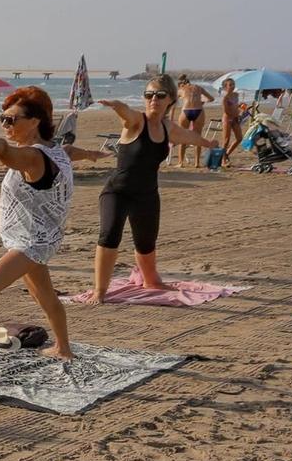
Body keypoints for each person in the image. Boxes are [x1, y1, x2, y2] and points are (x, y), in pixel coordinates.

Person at [0, 87, 77, 388]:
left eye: (12, 120)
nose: (6, 125)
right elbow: (71, 155)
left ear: (35, 121)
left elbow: (7, 152)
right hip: (39, 237)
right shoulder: (55, 150)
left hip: (32, 241)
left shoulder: (34, 156)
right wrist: (92, 154)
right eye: (2, 118)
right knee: (45, 295)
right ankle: (63, 347)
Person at [77, 76, 211, 303]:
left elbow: (191, 137)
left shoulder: (168, 127)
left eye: (159, 96)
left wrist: (212, 145)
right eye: (148, 95)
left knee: (146, 242)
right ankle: (100, 290)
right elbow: (126, 112)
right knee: (109, 235)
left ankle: (151, 280)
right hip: (117, 191)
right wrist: (116, 105)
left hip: (147, 193)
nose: (153, 100)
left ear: (170, 99)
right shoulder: (136, 121)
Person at [172, 75, 215, 167]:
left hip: (186, 111)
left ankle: (180, 163)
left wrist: (171, 118)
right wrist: (202, 102)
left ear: (180, 85)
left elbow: (172, 103)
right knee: (198, 137)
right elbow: (211, 98)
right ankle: (197, 163)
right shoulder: (198, 88)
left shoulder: (180, 90)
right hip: (198, 111)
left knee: (182, 137)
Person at [215, 76, 244, 166]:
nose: (232, 86)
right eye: (230, 85)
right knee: (226, 140)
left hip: (235, 118)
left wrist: (240, 107)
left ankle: (226, 154)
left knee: (239, 138)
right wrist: (236, 114)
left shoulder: (236, 95)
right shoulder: (225, 98)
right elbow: (226, 111)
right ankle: (223, 160)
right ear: (225, 87)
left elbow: (236, 106)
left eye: (233, 84)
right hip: (228, 119)